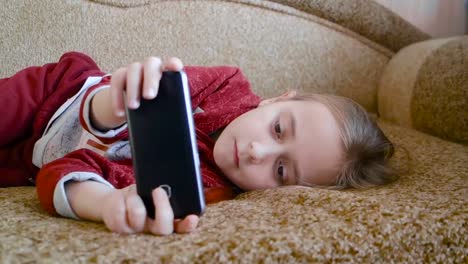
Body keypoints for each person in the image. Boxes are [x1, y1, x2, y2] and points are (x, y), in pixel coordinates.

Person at [0, 52, 396, 236]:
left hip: (35, 163)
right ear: (278, 100)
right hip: (58, 98)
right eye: (278, 129)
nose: (258, 152)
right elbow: (130, 98)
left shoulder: (206, 191)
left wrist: (106, 203)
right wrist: (118, 101)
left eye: (280, 171)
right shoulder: (224, 85)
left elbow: (60, 174)